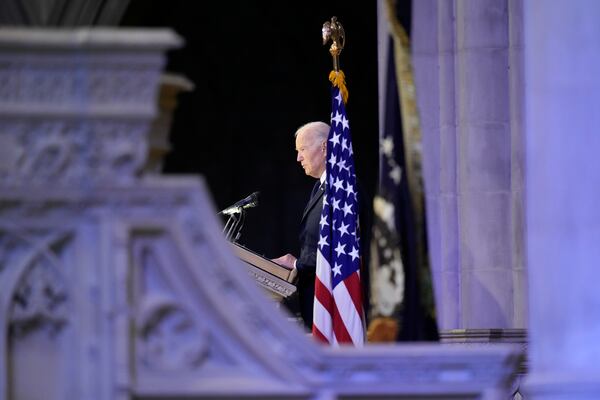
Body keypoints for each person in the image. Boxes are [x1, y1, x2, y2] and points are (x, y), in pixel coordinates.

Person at [273, 121, 329, 330]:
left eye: (302, 149)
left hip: (332, 306)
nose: (298, 158)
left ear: (324, 147)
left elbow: (334, 249)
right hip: (313, 301)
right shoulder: (319, 188)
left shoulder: (343, 191)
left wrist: (296, 264)